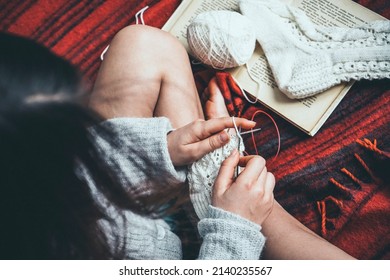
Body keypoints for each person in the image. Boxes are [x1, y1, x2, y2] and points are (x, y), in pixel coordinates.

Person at [0, 25, 354, 260]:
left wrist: (161, 151)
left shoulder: (32, 178)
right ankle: (239, 201)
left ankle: (211, 184)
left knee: (143, 43)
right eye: (76, 129)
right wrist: (234, 225)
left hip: (109, 212)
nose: (89, 128)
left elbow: (86, 174)